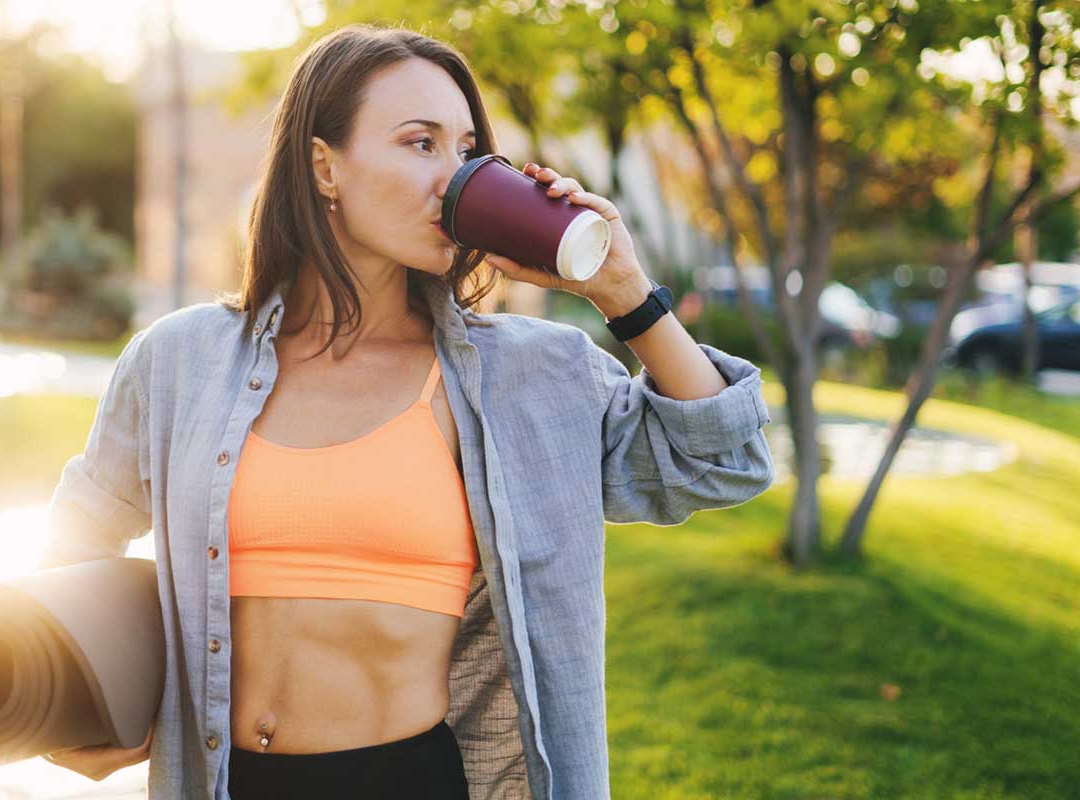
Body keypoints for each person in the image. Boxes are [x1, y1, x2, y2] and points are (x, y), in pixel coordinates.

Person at [40, 23, 775, 800]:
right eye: (420, 143)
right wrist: (75, 691)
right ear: (325, 166)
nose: (451, 179)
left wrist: (624, 292)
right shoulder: (180, 359)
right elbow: (82, 523)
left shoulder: (529, 374)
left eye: (465, 151)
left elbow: (721, 460)